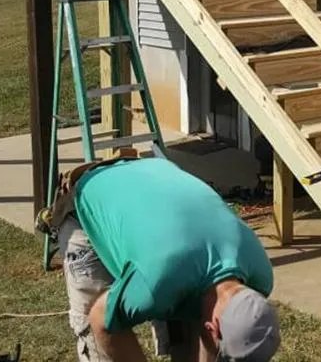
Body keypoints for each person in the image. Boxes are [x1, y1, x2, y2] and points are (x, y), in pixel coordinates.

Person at [47, 154, 280, 362]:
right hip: (92, 198)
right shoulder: (157, 283)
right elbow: (100, 320)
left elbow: (209, 329)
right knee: (95, 335)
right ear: (213, 327)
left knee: (187, 313)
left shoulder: (260, 277)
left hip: (154, 179)